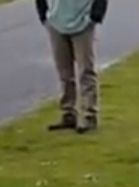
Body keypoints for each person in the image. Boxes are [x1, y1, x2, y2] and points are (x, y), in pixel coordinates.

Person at [36, 0, 108, 133]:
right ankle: (68, 113)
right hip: (56, 22)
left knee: (86, 71)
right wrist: (43, 15)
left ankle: (89, 116)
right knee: (64, 73)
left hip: (82, 22)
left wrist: (94, 16)